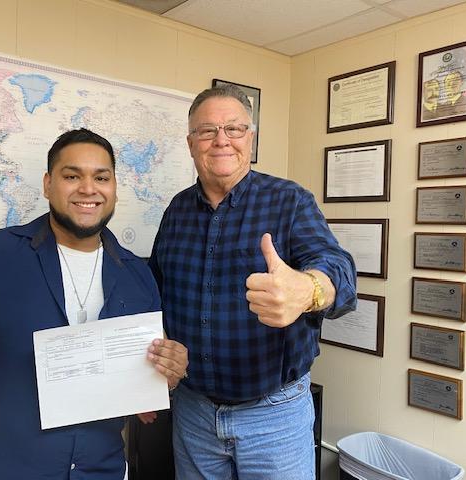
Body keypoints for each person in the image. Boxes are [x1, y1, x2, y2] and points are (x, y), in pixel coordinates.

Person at [0, 128, 188, 480]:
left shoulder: (137, 274)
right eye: (72, 176)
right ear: (48, 184)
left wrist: (168, 372)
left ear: (114, 188)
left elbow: (150, 368)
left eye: (101, 177)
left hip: (102, 470)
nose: (88, 188)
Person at [148, 85, 357, 479]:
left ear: (251, 138)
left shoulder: (290, 201)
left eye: (234, 128)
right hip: (193, 414)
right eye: (207, 131)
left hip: (274, 417)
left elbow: (339, 270)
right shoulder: (176, 210)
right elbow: (155, 293)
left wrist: (308, 289)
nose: (221, 140)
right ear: (191, 143)